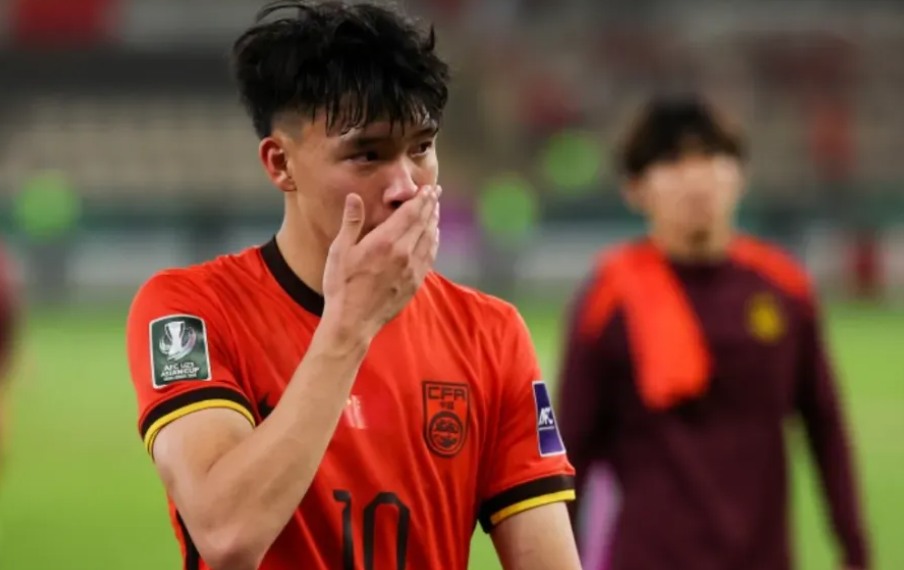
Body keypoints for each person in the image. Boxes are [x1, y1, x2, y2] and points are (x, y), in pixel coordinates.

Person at [124, 2, 581, 570]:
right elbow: (226, 536)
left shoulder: (490, 334)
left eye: (421, 148)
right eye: (367, 154)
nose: (406, 185)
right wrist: (350, 326)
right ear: (280, 164)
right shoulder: (191, 311)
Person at [556, 94, 870, 570]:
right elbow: (571, 451)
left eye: (711, 157)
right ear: (635, 189)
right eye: (672, 163)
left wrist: (855, 551)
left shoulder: (785, 288)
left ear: (740, 175)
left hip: (763, 559)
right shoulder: (609, 298)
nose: (696, 178)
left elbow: (825, 428)